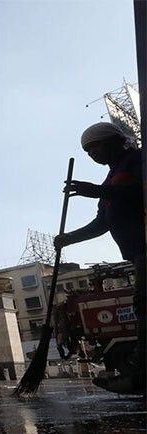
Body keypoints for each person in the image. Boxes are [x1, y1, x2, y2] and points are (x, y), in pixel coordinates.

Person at [54, 122, 144, 395]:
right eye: (88, 150)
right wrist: (68, 238)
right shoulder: (109, 180)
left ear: (116, 141)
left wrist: (99, 191)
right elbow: (101, 224)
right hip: (137, 253)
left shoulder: (137, 160)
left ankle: (139, 375)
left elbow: (141, 190)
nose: (93, 153)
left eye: (97, 146)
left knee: (144, 304)